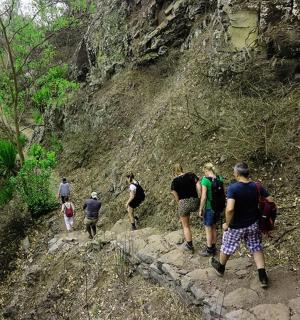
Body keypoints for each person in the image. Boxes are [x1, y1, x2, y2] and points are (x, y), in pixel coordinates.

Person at [210, 162, 273, 288]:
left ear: (237, 174)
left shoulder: (233, 188)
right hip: (253, 224)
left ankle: (221, 268)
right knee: (256, 247)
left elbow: (229, 209)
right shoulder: (256, 186)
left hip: (236, 226)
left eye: (234, 172)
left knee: (227, 247)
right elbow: (270, 200)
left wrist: (227, 224)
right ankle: (263, 277)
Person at [171, 164, 201, 254]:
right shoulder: (191, 175)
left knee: (186, 226)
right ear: (182, 168)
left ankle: (189, 245)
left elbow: (173, 192)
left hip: (183, 203)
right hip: (195, 201)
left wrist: (178, 201)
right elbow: (198, 185)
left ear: (174, 171)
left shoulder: (174, 181)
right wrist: (199, 196)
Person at [199, 163, 225, 257]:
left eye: (204, 172)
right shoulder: (220, 178)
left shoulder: (205, 180)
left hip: (210, 208)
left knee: (208, 229)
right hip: (218, 208)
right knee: (214, 227)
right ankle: (213, 247)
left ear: (206, 170)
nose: (204, 174)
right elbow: (223, 193)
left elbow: (204, 197)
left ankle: (209, 249)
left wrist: (200, 209)